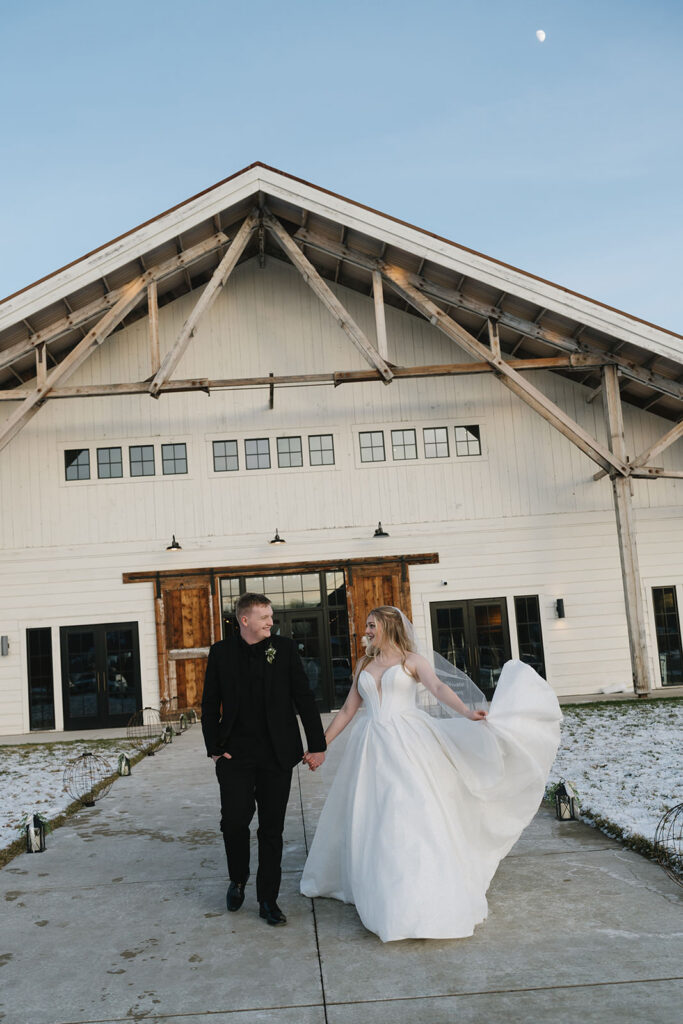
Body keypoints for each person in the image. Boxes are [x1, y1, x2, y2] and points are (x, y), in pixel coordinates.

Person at [300, 605, 562, 942]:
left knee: (407, 811)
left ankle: (413, 896)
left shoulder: (412, 661)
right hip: (370, 746)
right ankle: (378, 886)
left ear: (388, 627)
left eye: (371, 626)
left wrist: (467, 712)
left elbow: (438, 688)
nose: (365, 631)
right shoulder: (364, 663)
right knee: (372, 814)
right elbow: (350, 708)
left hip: (407, 743)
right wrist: (322, 745)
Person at [202, 592, 326, 926]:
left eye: (271, 616)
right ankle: (238, 878)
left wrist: (318, 744)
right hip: (234, 756)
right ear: (245, 620)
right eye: (265, 617)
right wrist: (214, 747)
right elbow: (210, 703)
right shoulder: (221, 652)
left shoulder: (284, 650)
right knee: (234, 822)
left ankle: (267, 900)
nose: (272, 622)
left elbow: (303, 697)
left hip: (276, 755)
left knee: (272, 829)